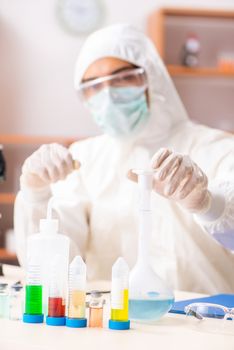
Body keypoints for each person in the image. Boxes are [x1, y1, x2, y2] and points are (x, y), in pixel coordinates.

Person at [14, 24, 234, 294]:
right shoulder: (83, 160)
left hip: (207, 323)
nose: (108, 94)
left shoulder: (218, 148)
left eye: (122, 78)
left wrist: (207, 205)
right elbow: (52, 271)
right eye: (93, 86)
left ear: (152, 76)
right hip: (114, 325)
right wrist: (36, 194)